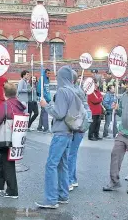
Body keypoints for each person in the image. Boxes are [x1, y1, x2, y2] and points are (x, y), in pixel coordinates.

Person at [35, 65, 76, 209]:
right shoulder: (72, 90)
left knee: (51, 165)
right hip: (69, 132)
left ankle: (51, 199)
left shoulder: (62, 91)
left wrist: (46, 105)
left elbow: (59, 113)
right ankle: (63, 195)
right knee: (62, 164)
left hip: (60, 132)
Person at [103, 72, 128, 194]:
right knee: (115, 155)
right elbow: (121, 113)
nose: (126, 85)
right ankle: (114, 182)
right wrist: (116, 108)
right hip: (122, 132)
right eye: (125, 82)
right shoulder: (123, 96)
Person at [0, 82, 25, 198]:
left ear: (4, 94)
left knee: (8, 162)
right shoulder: (20, 105)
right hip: (17, 137)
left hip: (6, 138)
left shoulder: (5, 105)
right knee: (3, 159)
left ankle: (12, 191)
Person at [68, 70, 92, 192]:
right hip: (81, 125)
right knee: (73, 153)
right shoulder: (79, 90)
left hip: (74, 125)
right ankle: (73, 178)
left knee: (69, 154)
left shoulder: (72, 91)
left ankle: (69, 180)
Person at [37, 69, 51, 133]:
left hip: (47, 98)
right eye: (48, 73)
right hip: (43, 99)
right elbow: (39, 89)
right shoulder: (42, 79)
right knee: (45, 113)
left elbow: (47, 89)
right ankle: (46, 128)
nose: (49, 74)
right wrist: (45, 97)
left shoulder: (47, 80)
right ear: (45, 73)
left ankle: (39, 127)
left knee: (43, 113)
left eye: (49, 73)